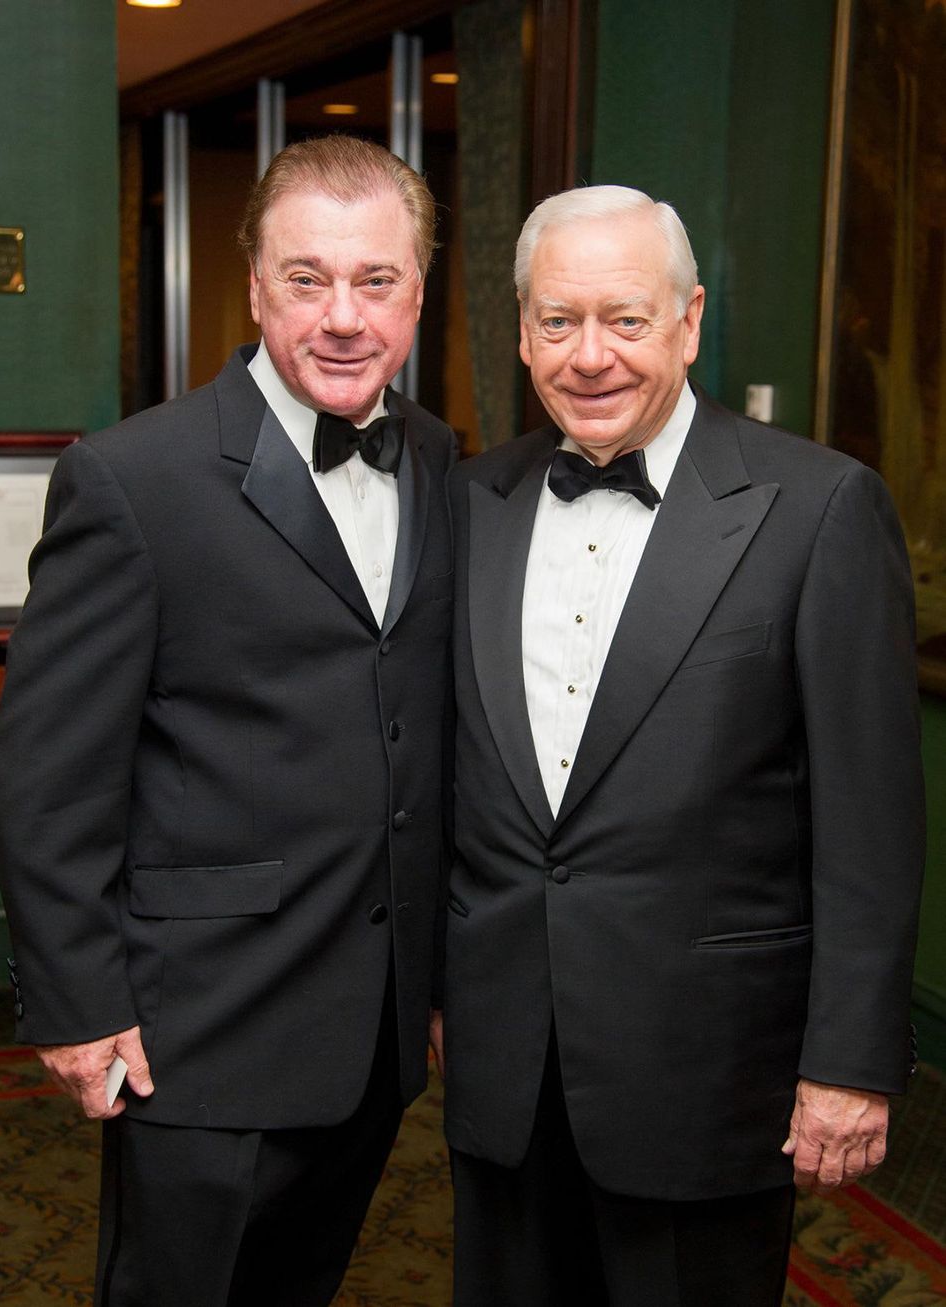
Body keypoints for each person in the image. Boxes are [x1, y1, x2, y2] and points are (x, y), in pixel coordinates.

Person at [435, 185, 925, 1307]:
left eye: (625, 318)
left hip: (706, 1071)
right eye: (557, 322)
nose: (589, 355)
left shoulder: (818, 509)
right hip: (505, 1063)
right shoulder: (472, 503)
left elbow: (870, 826)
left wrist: (846, 1063)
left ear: (688, 320)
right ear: (519, 332)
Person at [0, 135, 457, 1307]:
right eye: (306, 279)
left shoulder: (444, 461)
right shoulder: (130, 480)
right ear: (252, 288)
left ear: (418, 290)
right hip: (196, 1026)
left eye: (376, 281)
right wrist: (81, 1002)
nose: (343, 315)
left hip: (377, 1024)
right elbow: (53, 772)